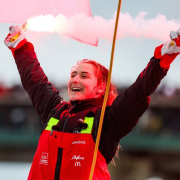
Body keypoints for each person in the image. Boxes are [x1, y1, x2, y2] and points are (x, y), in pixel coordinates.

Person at [4, 25, 180, 180]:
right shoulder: (54, 111)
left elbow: (139, 92)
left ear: (100, 87)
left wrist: (163, 59)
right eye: (73, 75)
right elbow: (35, 81)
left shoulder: (107, 120)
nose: (75, 80)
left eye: (84, 76)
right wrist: (20, 47)